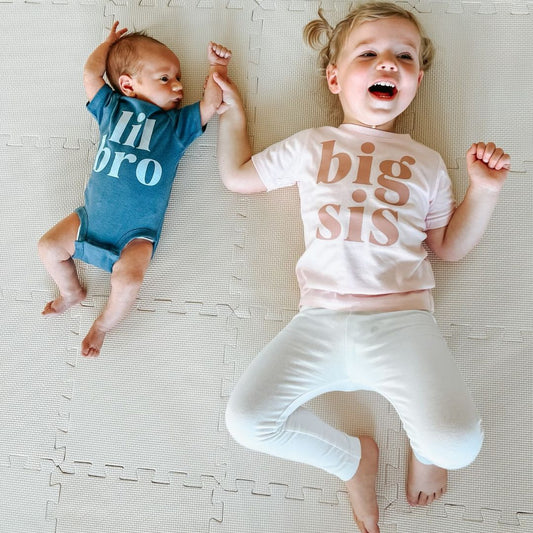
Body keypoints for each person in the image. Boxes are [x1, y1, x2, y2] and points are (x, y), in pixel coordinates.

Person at [213, 3, 510, 532]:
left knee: (458, 446)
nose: (388, 64)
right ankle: (351, 459)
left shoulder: (427, 162)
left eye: (404, 57)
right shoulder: (313, 144)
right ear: (334, 78)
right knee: (247, 421)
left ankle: (425, 448)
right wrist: (233, 111)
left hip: (402, 321)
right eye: (368, 54)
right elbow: (238, 176)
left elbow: (447, 246)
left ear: (418, 81)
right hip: (319, 320)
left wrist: (483, 192)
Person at [38, 22, 231, 357]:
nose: (178, 86)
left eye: (178, 77)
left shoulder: (176, 126)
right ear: (128, 84)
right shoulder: (112, 108)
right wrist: (109, 44)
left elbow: (210, 105)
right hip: (89, 220)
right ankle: (71, 292)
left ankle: (103, 325)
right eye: (165, 78)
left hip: (136, 237)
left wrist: (218, 68)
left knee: (128, 281)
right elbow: (91, 73)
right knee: (48, 246)